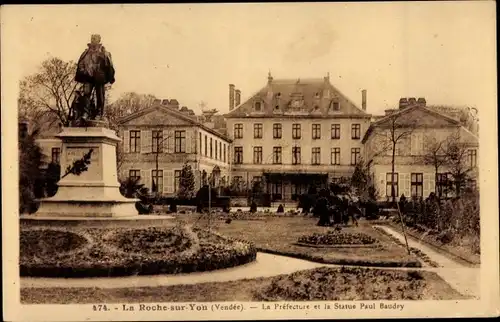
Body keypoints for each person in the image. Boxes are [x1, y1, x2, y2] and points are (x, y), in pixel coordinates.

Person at [75, 34, 115, 120]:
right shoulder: (86, 53)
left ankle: (99, 113)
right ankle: (85, 113)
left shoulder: (104, 52)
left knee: (100, 95)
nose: (93, 40)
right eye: (92, 38)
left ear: (99, 40)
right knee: (86, 94)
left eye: (95, 39)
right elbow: (81, 63)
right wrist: (83, 71)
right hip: (88, 76)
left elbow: (109, 65)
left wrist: (107, 76)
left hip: (100, 77)